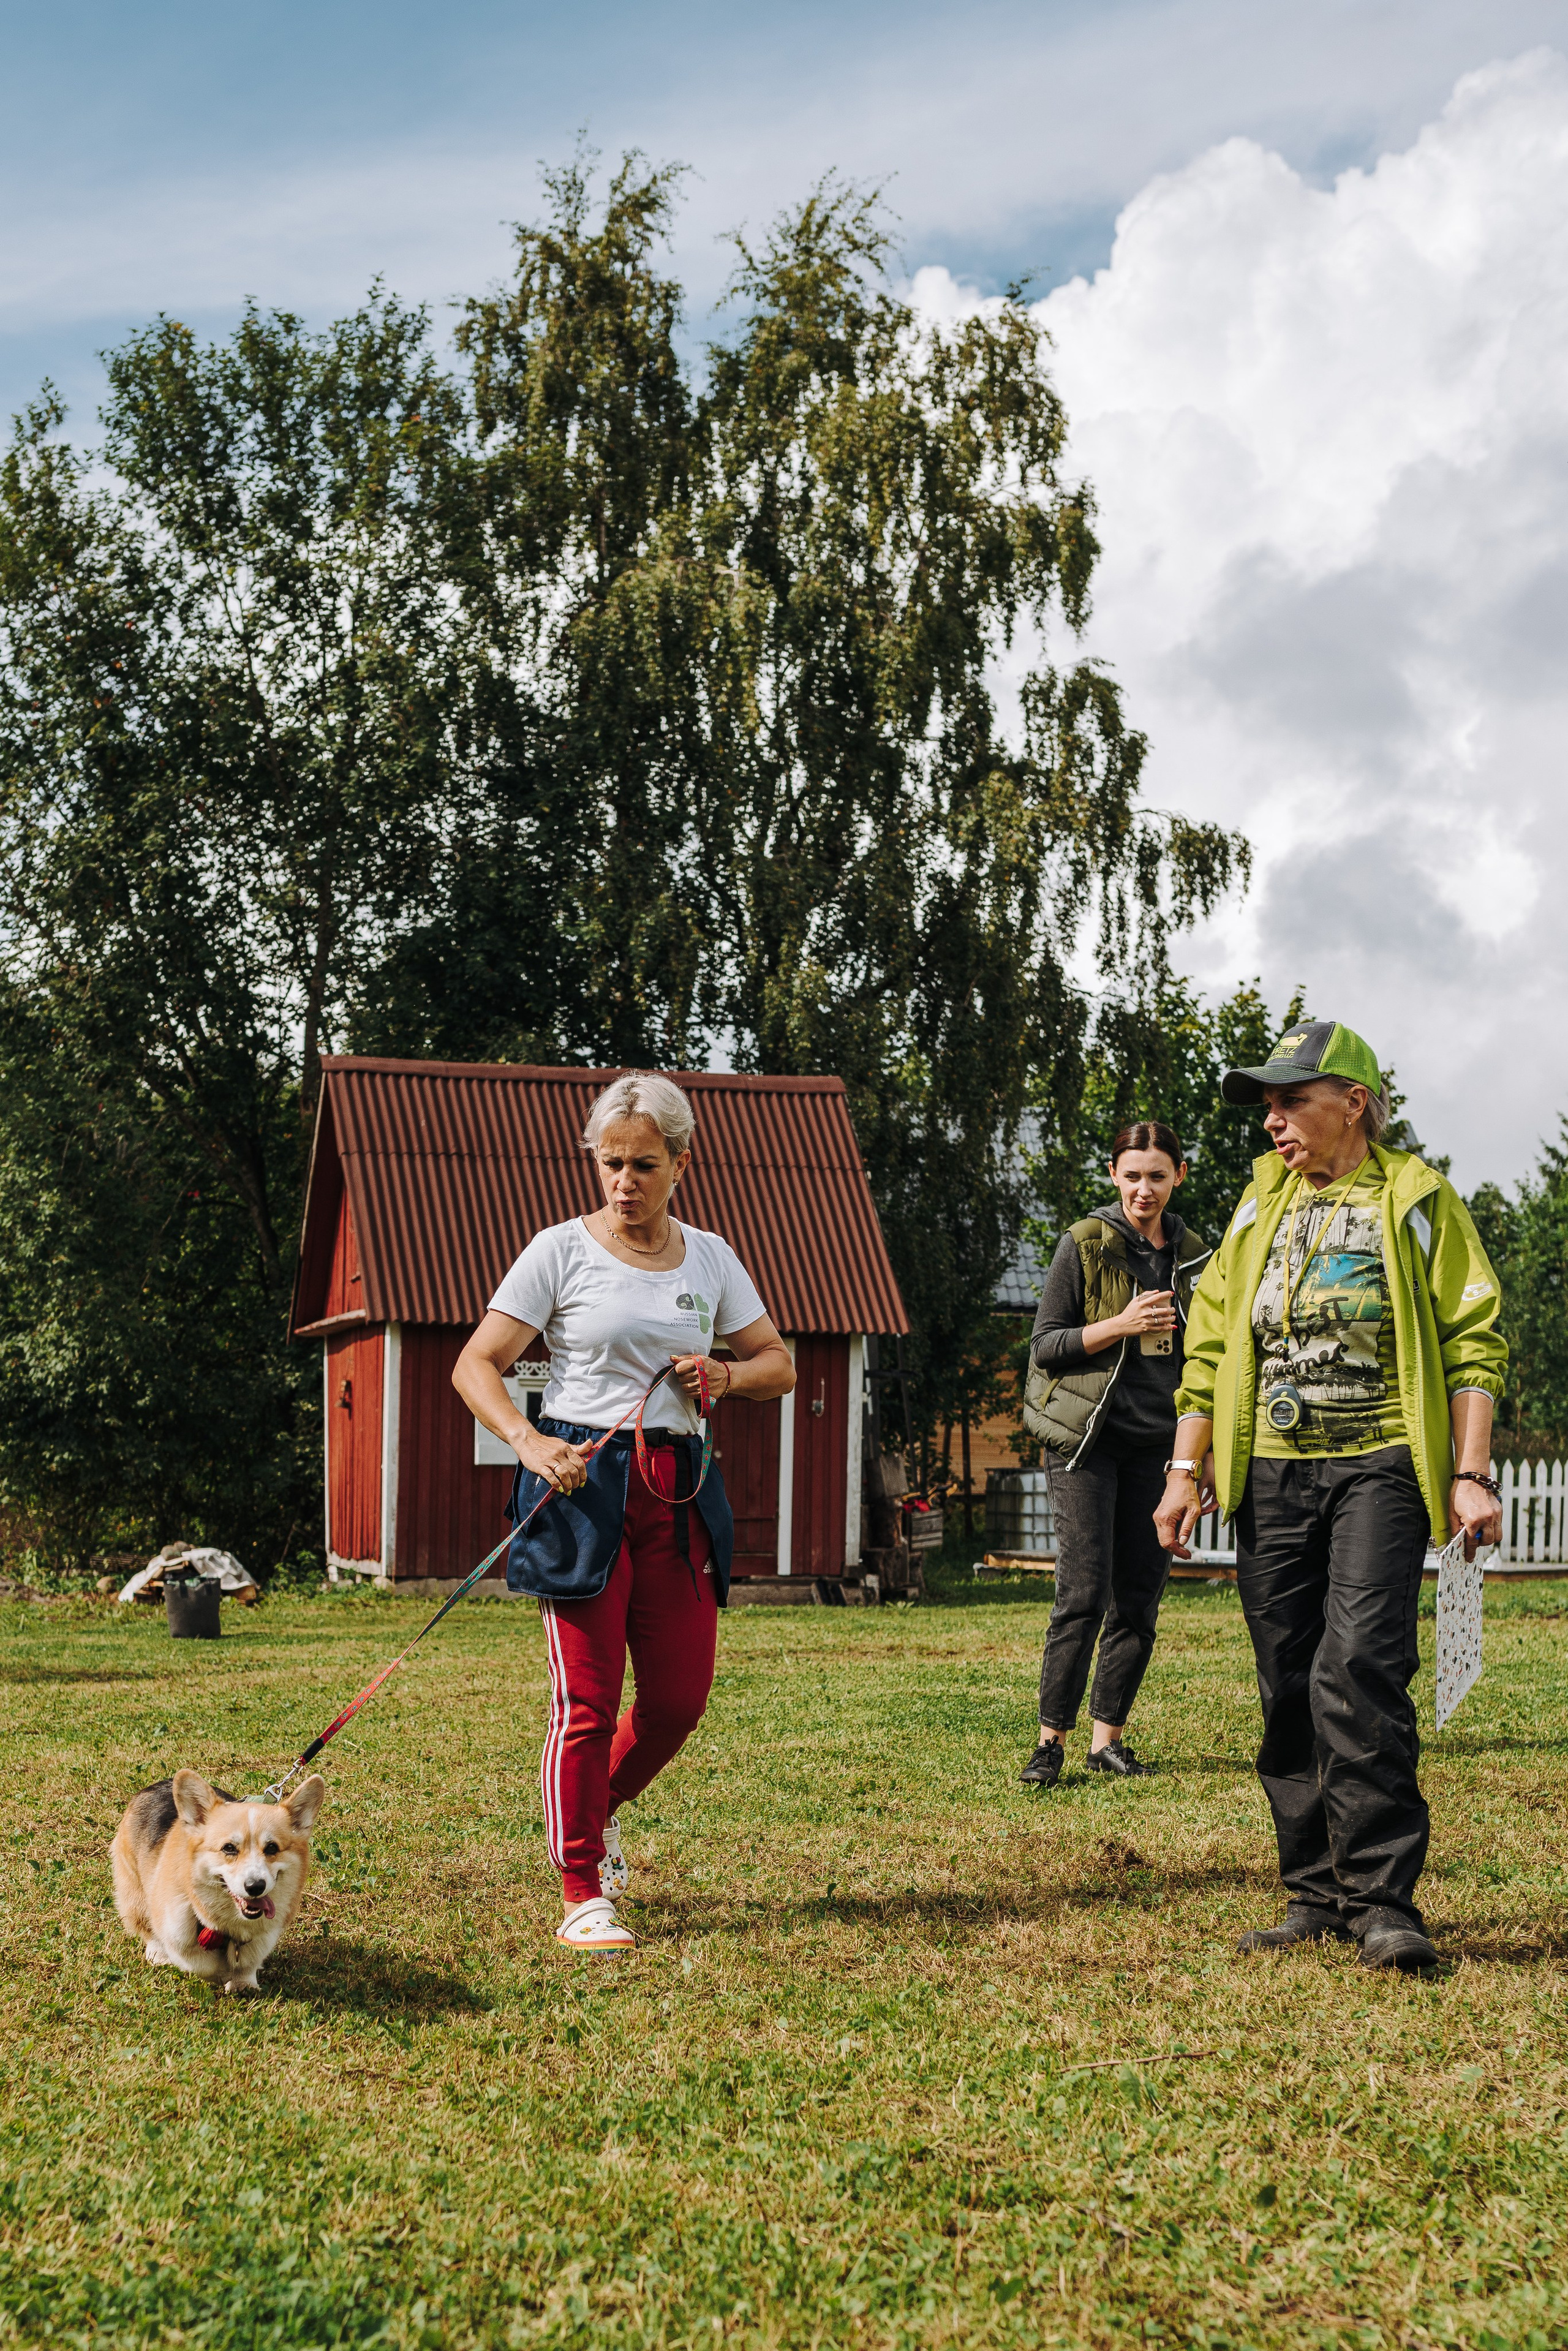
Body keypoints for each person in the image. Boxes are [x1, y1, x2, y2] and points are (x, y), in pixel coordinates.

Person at [1154, 1017, 1506, 1972]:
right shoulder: (1255, 1206)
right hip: (1270, 1472)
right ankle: (1314, 1892)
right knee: (1288, 1679)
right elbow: (1210, 1346)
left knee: (1359, 1667)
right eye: (1266, 1106)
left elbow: (1473, 1340)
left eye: (1290, 1101)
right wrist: (1185, 1471)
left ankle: (1382, 1900)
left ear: (1353, 1102)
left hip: (1378, 1463)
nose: (1272, 1121)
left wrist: (1471, 1472)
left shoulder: (1416, 1197)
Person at [453, 1072, 796, 1951]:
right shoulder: (558, 1250)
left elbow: (778, 1363)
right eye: (610, 1163)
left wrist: (726, 1374)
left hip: (677, 1487)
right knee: (590, 1702)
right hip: (580, 1486)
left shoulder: (711, 1257)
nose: (624, 1181)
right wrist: (529, 1442)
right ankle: (581, 1888)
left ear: (682, 1163)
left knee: (678, 1700)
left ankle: (592, 1807)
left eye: (644, 1164)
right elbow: (475, 1363)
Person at [1018, 1120, 1212, 1790]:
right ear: (1113, 1176)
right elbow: (1046, 1346)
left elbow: (1210, 1361)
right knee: (1083, 1592)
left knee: (1138, 1597)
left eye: (1157, 1176)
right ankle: (1050, 1744)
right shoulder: (1084, 1242)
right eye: (1132, 1176)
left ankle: (1108, 1742)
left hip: (1160, 1452)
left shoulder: (1196, 1257)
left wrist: (1201, 1457)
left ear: (1178, 1175)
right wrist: (1121, 1326)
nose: (1143, 1189)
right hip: (1088, 1444)